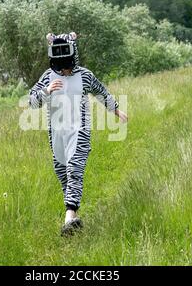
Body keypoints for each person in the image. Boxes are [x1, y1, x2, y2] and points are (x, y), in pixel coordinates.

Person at [29, 32, 128, 236]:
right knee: (62, 173)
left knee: (75, 168)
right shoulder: (48, 76)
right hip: (56, 133)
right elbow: (32, 102)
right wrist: (46, 91)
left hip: (79, 130)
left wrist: (117, 110)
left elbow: (102, 92)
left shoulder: (85, 75)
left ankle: (68, 216)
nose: (65, 70)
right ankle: (74, 219)